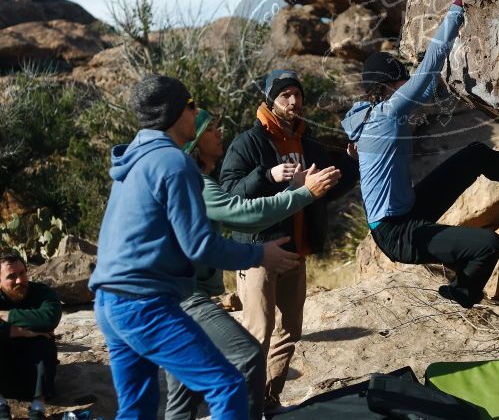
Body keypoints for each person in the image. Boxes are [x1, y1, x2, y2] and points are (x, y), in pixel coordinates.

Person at [341, 0, 499, 309]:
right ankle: (463, 291)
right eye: (400, 79)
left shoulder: (366, 119)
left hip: (410, 208)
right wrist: (455, 14)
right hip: (397, 233)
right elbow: (427, 73)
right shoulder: (387, 113)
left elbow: (361, 149)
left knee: (477, 155)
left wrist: (358, 153)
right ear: (388, 85)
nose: (406, 84)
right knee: (487, 245)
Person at [89, 75, 300, 420]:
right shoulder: (174, 163)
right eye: (192, 105)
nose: (197, 112)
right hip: (145, 303)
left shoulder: (133, 161)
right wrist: (260, 254)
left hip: (109, 302)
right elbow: (199, 245)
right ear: (176, 112)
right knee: (228, 385)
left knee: (137, 408)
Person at [164, 109, 341, 420]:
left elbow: (233, 228)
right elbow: (245, 213)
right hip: (183, 298)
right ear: (192, 141)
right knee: (246, 351)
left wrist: (296, 189)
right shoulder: (199, 184)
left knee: (182, 397)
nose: (219, 133)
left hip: (185, 294)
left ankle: (265, 404)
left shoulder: (196, 182)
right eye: (210, 129)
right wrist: (302, 193)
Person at [219, 69, 358, 410]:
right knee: (257, 332)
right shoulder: (248, 143)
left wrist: (352, 163)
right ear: (271, 100)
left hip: (296, 251)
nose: (294, 101)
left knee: (290, 331)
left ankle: (269, 399)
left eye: (297, 94)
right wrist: (268, 175)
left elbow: (332, 186)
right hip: (258, 251)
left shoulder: (308, 144)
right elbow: (228, 192)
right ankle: (241, 407)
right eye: (285, 95)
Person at [0, 253, 61, 420]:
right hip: (4, 377)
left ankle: (38, 408)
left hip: (35, 377)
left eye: (22, 273)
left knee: (44, 340)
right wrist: (24, 331)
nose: (20, 280)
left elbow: (49, 318)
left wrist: (7, 316)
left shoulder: (41, 292)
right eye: (11, 276)